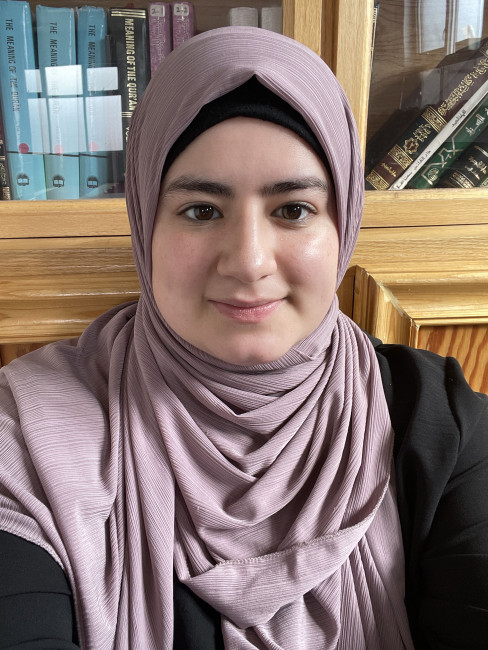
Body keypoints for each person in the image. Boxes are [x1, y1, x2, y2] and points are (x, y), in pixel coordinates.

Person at [0, 25, 487, 650]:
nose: (249, 261)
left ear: (343, 224)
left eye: (293, 209)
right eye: (201, 210)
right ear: (146, 220)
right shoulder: (28, 434)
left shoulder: (439, 421)